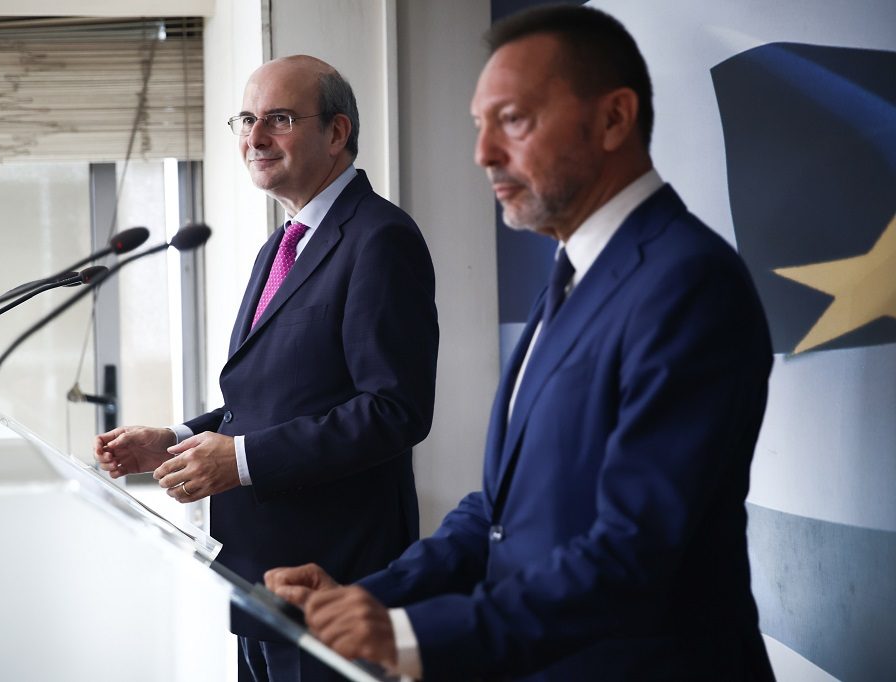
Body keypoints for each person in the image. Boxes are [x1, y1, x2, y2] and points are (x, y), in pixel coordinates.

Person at [265, 6, 776, 681]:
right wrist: (370, 597)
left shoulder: (688, 283)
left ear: (614, 119)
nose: (483, 154)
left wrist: (413, 635)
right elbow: (500, 512)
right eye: (480, 125)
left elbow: (635, 552)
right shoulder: (572, 273)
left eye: (513, 121)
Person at [94, 55, 439, 682]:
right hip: (257, 575)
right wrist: (174, 440)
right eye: (246, 120)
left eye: (278, 119)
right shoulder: (280, 245)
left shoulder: (380, 238)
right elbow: (267, 398)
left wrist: (242, 459)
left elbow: (395, 411)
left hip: (333, 578)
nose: (254, 138)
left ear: (336, 132)